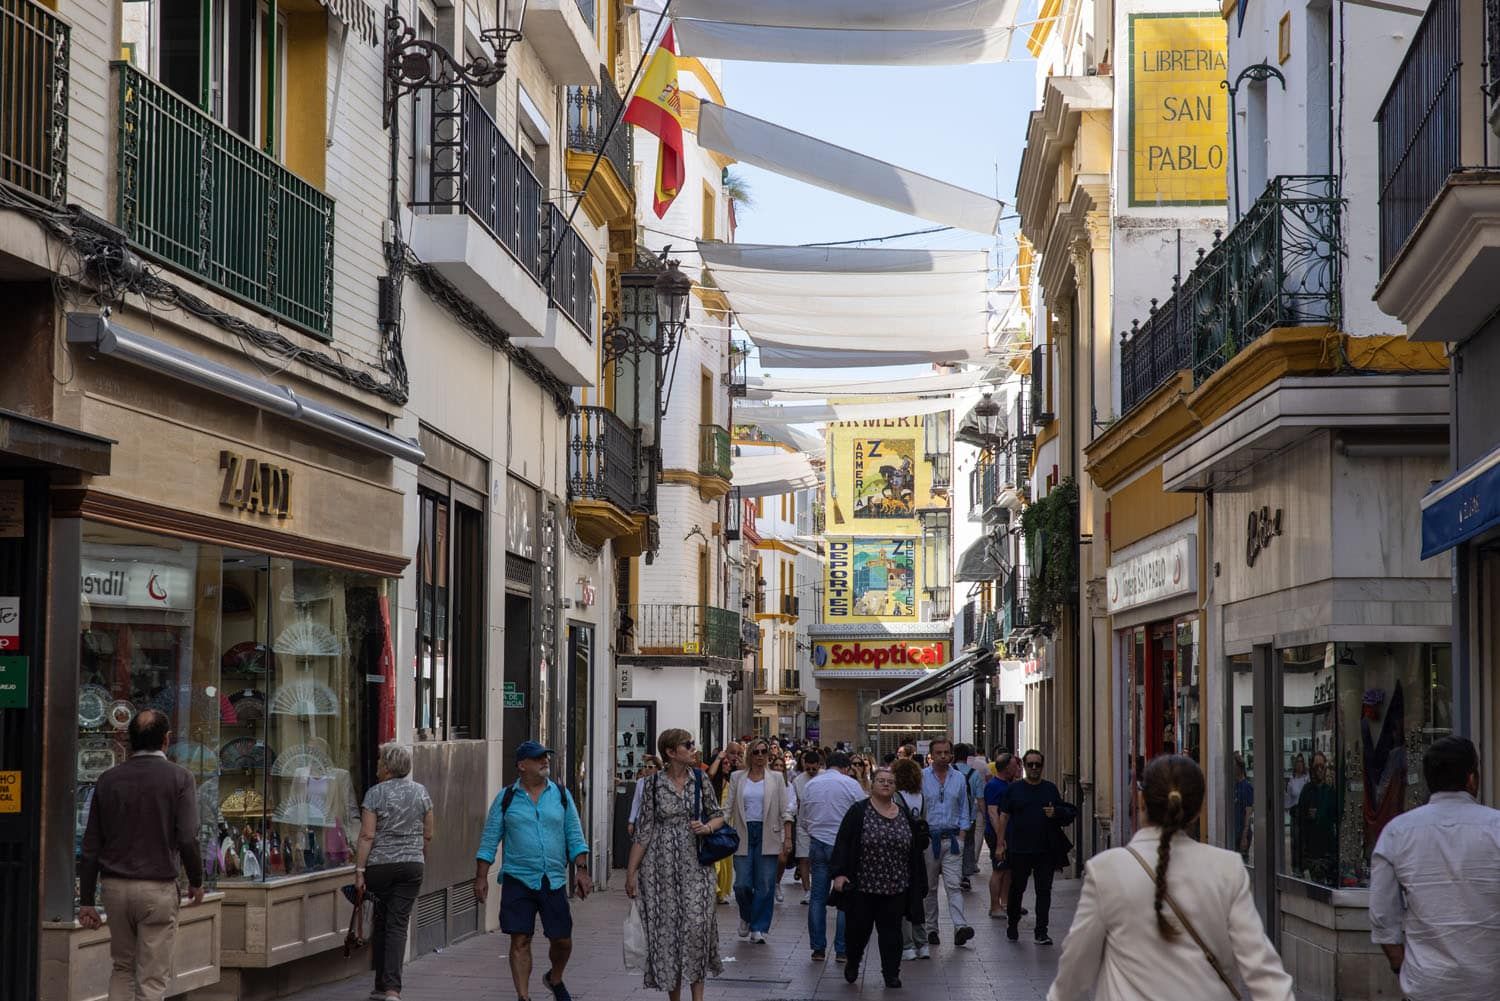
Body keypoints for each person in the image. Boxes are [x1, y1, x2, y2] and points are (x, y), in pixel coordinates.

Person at [1047, 754, 1292, 1000]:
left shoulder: (1106, 870)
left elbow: (1075, 971)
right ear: (1197, 811)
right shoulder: (1227, 868)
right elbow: (1264, 973)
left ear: (1141, 802)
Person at [78, 710, 205, 1001]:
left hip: (115, 888)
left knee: (122, 967)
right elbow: (188, 837)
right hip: (157, 889)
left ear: (129, 739)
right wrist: (196, 881)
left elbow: (91, 844)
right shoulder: (180, 778)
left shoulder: (108, 779)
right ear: (166, 740)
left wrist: (86, 900)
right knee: (151, 978)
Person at [1370, 736, 1500, 1000]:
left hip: (1426, 985)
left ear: (1429, 780)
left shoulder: (1397, 833)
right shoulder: (1496, 828)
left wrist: (1400, 966)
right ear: (1471, 778)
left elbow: (1383, 915)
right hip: (1490, 985)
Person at [475, 741, 591, 1001]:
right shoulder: (506, 798)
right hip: (518, 878)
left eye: (546, 757)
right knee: (520, 940)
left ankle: (555, 977)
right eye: (538, 758)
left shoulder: (561, 795)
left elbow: (575, 834)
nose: (545, 762)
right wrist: (482, 876)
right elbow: (490, 838)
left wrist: (582, 871)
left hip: (553, 879)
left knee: (562, 940)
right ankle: (523, 997)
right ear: (521, 765)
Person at [626, 729, 727, 1001]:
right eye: (688, 745)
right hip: (661, 871)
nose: (693, 748)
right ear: (671, 752)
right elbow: (643, 831)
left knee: (696, 929)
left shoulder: (700, 779)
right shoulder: (653, 785)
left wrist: (706, 827)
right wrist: (631, 873)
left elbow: (718, 816)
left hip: (696, 867)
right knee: (669, 933)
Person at [829, 767, 929, 989]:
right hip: (863, 885)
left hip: (895, 886)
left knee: (891, 933)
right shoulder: (858, 812)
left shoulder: (903, 815)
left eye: (890, 782)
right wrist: (839, 873)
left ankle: (891, 973)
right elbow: (844, 842)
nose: (886, 785)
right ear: (872, 785)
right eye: (881, 781)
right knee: (857, 930)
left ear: (895, 787)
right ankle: (853, 961)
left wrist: (918, 883)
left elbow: (914, 852)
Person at [355, 742, 434, 1001]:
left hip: (380, 866)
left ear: (387, 767)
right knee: (397, 924)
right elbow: (428, 834)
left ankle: (381, 986)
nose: (377, 766)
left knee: (381, 922)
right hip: (412, 865)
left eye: (380, 762)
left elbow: (367, 835)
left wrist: (359, 870)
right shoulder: (421, 793)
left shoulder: (375, 794)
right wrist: (417, 858)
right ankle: (391, 990)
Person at [724, 737, 796, 943]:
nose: (761, 756)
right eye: (756, 752)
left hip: (769, 833)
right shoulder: (738, 777)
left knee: (765, 883)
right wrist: (716, 827)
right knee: (742, 884)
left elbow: (785, 811)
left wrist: (787, 838)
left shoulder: (776, 778)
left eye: (764, 752)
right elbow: (728, 808)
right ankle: (746, 916)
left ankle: (759, 927)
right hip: (743, 832)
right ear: (750, 755)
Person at [997, 749, 1069, 945]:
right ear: (1025, 766)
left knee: (1044, 891)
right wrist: (1000, 844)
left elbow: (1063, 811)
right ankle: (1013, 923)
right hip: (1019, 849)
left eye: (1038, 765)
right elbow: (1004, 816)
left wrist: (1055, 812)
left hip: (1045, 850)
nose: (1035, 768)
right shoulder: (1014, 790)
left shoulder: (1050, 789)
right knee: (1017, 889)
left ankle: (1041, 931)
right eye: (1031, 765)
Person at [800, 750, 866, 962]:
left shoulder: (811, 785)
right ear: (846, 767)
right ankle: (842, 949)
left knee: (817, 898)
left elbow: (803, 818)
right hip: (843, 846)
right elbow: (863, 814)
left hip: (818, 842)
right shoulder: (851, 784)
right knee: (844, 898)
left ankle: (818, 948)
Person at [920, 737, 974, 947]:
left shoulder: (959, 778)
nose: (943, 756)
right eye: (939, 752)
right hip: (929, 839)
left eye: (946, 752)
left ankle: (960, 926)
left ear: (951, 754)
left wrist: (962, 834)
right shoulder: (922, 777)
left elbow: (964, 807)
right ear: (931, 755)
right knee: (930, 887)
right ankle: (931, 928)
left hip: (952, 839)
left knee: (953, 885)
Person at [889, 756, 929, 960]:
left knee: (901, 898)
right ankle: (923, 943)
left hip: (900, 852)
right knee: (916, 897)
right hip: (918, 853)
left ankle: (907, 945)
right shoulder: (921, 797)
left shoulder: (895, 798)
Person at [1291, 751, 1338, 885]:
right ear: (1312, 768)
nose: (1319, 770)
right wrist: (1307, 815)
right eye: (1317, 766)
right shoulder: (1307, 791)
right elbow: (1299, 820)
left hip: (1328, 851)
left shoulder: (1330, 792)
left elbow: (1336, 817)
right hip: (1312, 852)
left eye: (1322, 767)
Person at [985, 751, 1020, 919]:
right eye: (1015, 765)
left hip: (1008, 834)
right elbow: (993, 813)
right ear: (1007, 768)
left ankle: (1005, 903)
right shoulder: (993, 786)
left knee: (1008, 870)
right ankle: (994, 905)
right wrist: (1001, 838)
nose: (1018, 768)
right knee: (999, 869)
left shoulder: (1008, 784)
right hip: (998, 835)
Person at [706, 746, 740, 905]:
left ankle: (720, 892)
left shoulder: (732, 781)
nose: (728, 765)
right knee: (717, 862)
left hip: (728, 825)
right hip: (714, 823)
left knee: (726, 863)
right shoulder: (713, 782)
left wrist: (738, 758)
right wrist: (719, 758)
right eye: (725, 763)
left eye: (729, 763)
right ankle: (714, 889)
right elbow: (710, 774)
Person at [793, 749, 824, 896]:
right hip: (803, 822)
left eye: (814, 768)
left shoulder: (825, 777)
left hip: (822, 823)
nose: (811, 771)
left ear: (819, 765)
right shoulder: (798, 781)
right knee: (803, 857)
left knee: (820, 858)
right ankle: (807, 890)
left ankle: (819, 887)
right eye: (808, 768)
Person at [953, 742, 983, 888]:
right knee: (968, 845)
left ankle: (954, 873)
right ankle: (965, 875)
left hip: (951, 817)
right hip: (969, 817)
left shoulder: (950, 771)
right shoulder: (974, 773)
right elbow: (980, 798)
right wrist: (986, 816)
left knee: (953, 846)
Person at [628, 756, 663, 838]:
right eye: (645, 766)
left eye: (650, 767)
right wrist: (631, 822)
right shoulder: (640, 782)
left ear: (657, 768)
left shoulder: (662, 782)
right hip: (642, 819)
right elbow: (636, 802)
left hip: (657, 820)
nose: (647, 769)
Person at [1233, 755, 1254, 861]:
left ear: (1239, 767)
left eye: (1233, 765)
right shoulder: (1233, 785)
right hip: (1234, 833)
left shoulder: (1247, 787)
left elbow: (1248, 812)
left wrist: (1244, 837)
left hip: (1242, 833)